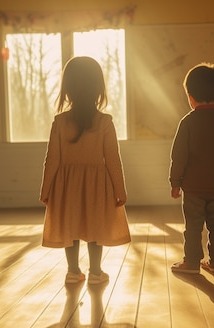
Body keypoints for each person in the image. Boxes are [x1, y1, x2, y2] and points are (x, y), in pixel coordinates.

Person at [40, 56, 131, 285]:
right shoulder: (104, 122)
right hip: (96, 186)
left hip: (66, 185)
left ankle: (73, 272)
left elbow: (51, 160)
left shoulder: (59, 123)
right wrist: (120, 190)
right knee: (95, 227)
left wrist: (46, 189)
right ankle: (96, 273)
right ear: (98, 89)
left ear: (68, 90)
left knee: (70, 227)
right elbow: (113, 160)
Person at [169, 63, 214, 274]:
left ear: (190, 96)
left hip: (193, 187)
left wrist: (175, 183)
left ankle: (191, 262)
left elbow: (178, 156)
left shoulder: (188, 122)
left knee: (193, 225)